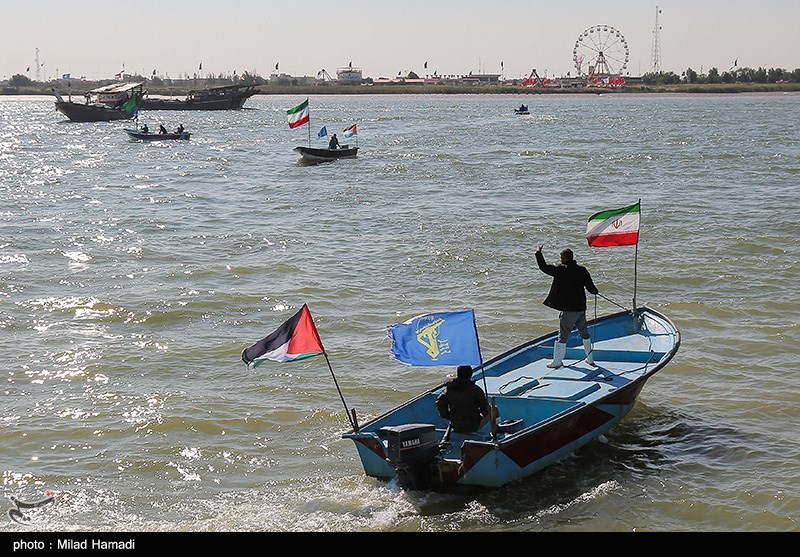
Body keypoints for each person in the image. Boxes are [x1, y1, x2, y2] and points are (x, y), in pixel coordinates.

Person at [535, 245, 599, 368]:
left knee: (563, 335)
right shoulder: (582, 270)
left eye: (561, 257)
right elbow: (591, 287)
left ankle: (557, 361)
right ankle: (590, 359)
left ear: (565, 258)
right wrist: (595, 291)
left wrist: (538, 253)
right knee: (584, 333)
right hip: (581, 308)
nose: (560, 259)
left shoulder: (561, 270)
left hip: (569, 310)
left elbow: (544, 267)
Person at [435, 365, 491, 434]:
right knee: (495, 409)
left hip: (456, 425)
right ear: (471, 374)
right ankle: (496, 433)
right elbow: (485, 411)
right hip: (473, 426)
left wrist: (447, 416)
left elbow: (439, 402)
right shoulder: (476, 390)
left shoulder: (449, 389)